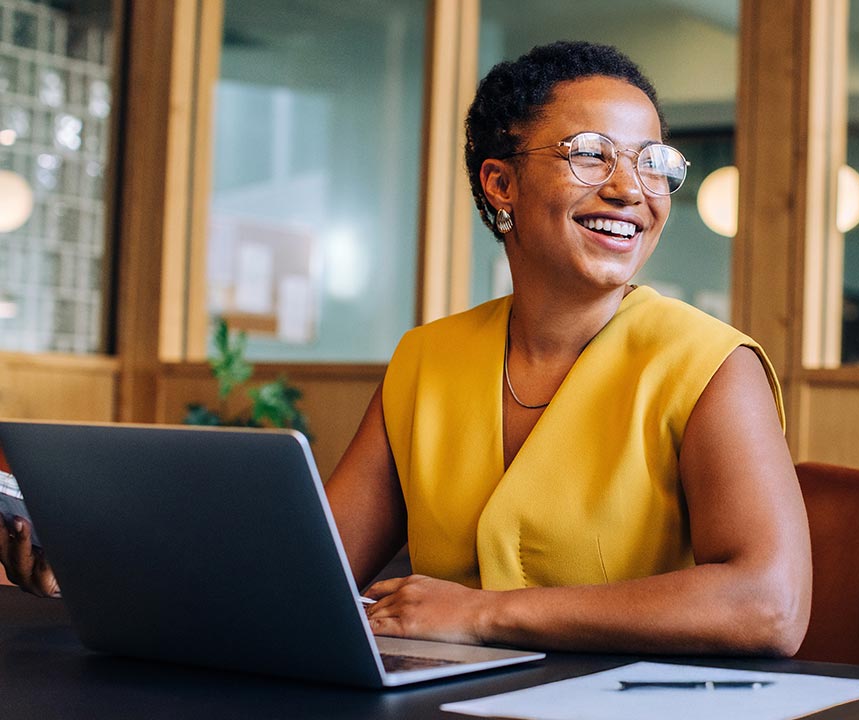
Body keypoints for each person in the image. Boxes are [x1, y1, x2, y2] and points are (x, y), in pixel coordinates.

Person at [0, 41, 811, 656]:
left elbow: (768, 606)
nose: (631, 188)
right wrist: (98, 575)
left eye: (653, 163)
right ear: (500, 183)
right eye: (590, 153)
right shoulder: (429, 358)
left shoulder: (711, 364)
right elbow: (308, 574)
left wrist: (486, 614)